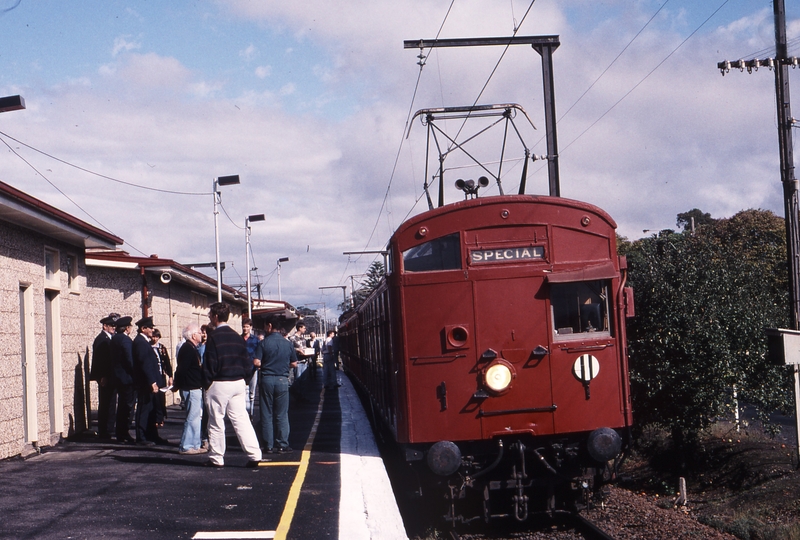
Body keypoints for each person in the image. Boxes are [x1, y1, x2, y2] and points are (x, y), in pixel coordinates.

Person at [202, 302, 263, 467]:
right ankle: (254, 454)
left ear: (215, 317)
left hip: (220, 382)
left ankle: (216, 458)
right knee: (241, 419)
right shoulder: (237, 337)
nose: (210, 318)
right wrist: (245, 379)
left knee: (216, 421)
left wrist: (207, 383)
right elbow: (247, 363)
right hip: (239, 382)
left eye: (210, 315)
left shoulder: (213, 337)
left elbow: (210, 363)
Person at [254, 318, 298, 453]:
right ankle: (282, 444)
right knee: (282, 414)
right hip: (282, 380)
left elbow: (256, 362)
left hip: (267, 379)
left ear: (270, 325)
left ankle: (268, 445)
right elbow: (294, 363)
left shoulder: (263, 343)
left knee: (266, 413)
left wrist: (265, 365)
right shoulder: (288, 344)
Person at [173, 323, 207, 455]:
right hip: (191, 387)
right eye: (199, 332)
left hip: (195, 386)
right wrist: (178, 384)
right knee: (192, 417)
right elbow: (182, 369)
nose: (202, 334)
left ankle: (195, 444)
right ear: (193, 335)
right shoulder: (187, 349)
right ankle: (186, 445)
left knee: (196, 417)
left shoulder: (192, 348)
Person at [132, 316, 164, 446]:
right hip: (145, 383)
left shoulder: (144, 342)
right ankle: (141, 436)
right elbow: (145, 363)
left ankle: (152, 434)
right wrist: (152, 382)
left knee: (151, 409)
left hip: (150, 381)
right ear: (143, 329)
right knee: (144, 409)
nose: (152, 330)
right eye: (150, 328)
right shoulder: (140, 342)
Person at [89, 312, 119, 439]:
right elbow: (100, 360)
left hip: (110, 376)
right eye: (111, 325)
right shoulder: (101, 339)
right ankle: (104, 430)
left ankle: (109, 428)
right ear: (104, 326)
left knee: (111, 403)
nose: (114, 327)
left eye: (114, 325)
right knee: (105, 403)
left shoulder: (110, 338)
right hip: (104, 377)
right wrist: (101, 376)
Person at [110, 316, 135, 443]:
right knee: (126, 407)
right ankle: (123, 432)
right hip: (126, 378)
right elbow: (129, 359)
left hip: (117, 377)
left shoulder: (115, 339)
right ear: (126, 328)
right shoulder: (125, 340)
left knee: (121, 406)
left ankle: (120, 433)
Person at [151, 328, 173, 427]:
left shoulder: (162, 348)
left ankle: (160, 418)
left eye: (156, 337)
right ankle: (155, 418)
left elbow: (167, 363)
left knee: (161, 398)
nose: (154, 339)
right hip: (153, 376)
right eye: (153, 336)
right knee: (154, 399)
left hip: (161, 375)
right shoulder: (148, 347)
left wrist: (170, 376)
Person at [241, 318, 259, 418]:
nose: (245, 328)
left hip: (252, 368)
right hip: (241, 368)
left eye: (247, 327)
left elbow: (258, 353)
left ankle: (251, 412)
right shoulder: (239, 339)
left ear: (251, 328)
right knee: (243, 392)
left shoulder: (255, 340)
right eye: (244, 326)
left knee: (252, 393)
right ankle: (244, 413)